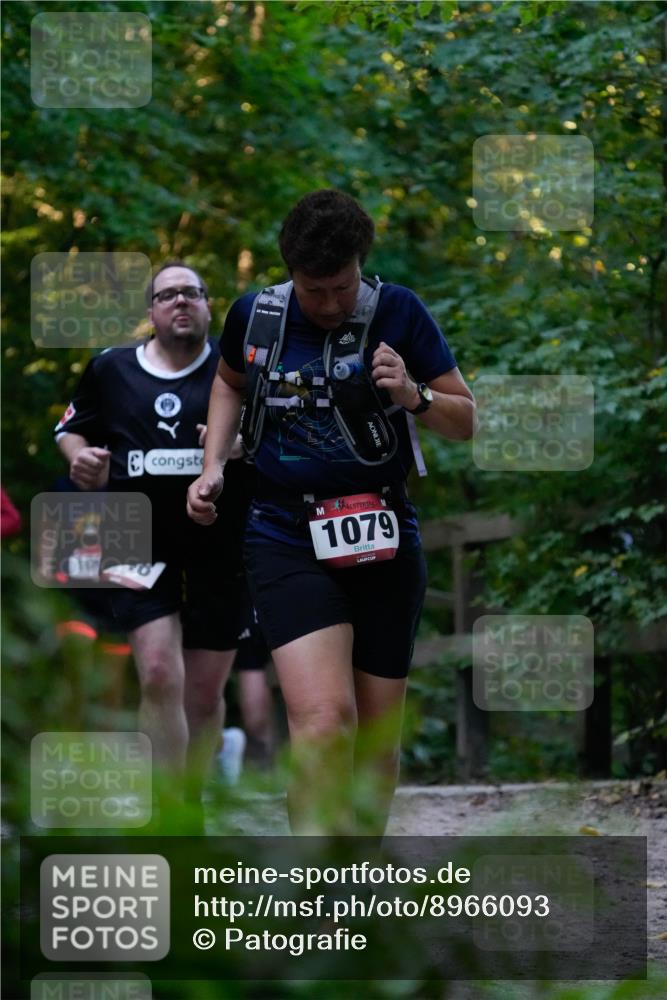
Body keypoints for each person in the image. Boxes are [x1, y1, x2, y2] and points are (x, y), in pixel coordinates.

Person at [187, 190, 474, 834]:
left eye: (341, 287)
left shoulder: (399, 312)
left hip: (383, 534)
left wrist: (414, 393)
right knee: (322, 720)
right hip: (284, 531)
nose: (329, 304)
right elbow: (229, 382)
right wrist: (212, 467)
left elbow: (467, 418)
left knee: (375, 738)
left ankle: (357, 879)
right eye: (314, 290)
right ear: (290, 272)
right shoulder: (254, 316)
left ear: (360, 267)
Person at [55, 261, 247, 822]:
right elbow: (70, 429)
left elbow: (276, 440)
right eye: (168, 295)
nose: (180, 302)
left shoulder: (235, 374)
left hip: (220, 542)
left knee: (205, 695)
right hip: (136, 538)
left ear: (210, 305)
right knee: (160, 672)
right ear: (151, 311)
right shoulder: (111, 369)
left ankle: (191, 798)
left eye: (192, 292)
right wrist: (81, 460)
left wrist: (236, 447)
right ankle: (169, 815)